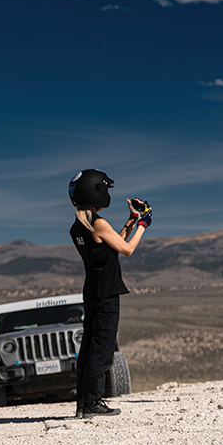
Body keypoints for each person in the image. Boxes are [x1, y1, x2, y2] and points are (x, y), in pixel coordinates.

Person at [68, 169, 150, 418]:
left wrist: (131, 220)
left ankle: (84, 403)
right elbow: (126, 249)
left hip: (93, 291)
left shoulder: (78, 227)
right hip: (106, 294)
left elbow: (111, 244)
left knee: (89, 350)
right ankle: (93, 403)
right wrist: (144, 224)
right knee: (102, 350)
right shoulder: (99, 224)